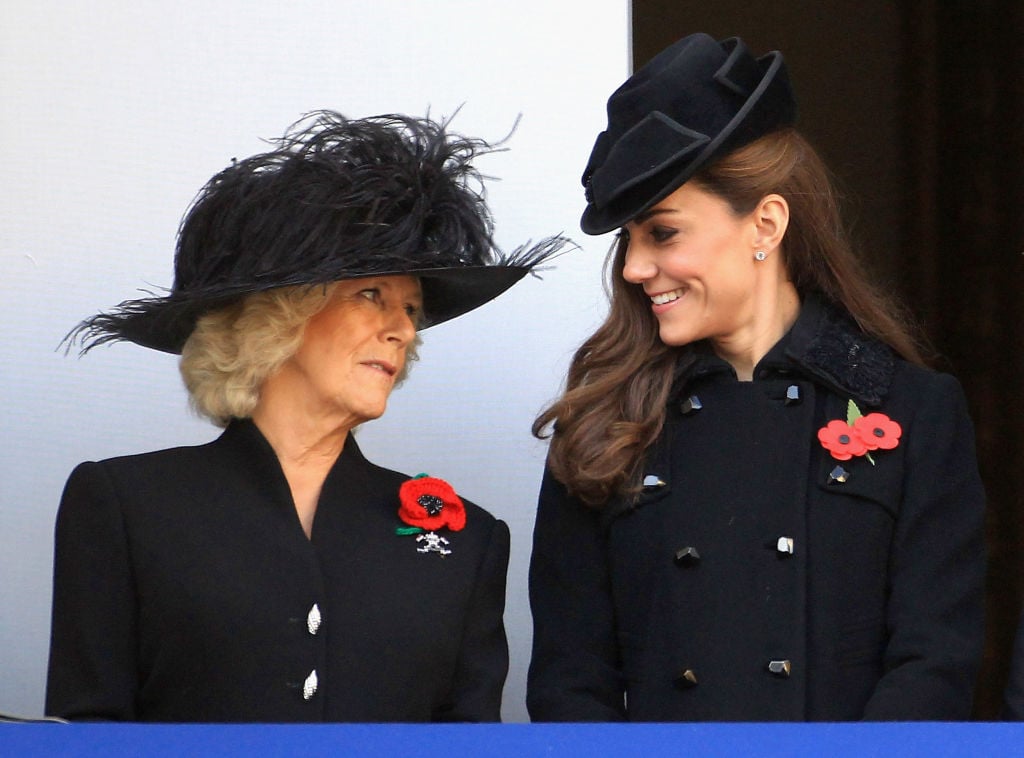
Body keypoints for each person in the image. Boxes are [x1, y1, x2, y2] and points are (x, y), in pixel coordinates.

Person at [46, 110, 566, 722]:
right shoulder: (125, 506)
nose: (401, 328)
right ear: (275, 318)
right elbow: (85, 737)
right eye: (371, 295)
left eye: (411, 308)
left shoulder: (467, 541)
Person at [527, 33, 985, 721]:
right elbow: (570, 682)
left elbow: (935, 662)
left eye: (663, 233)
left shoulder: (915, 412)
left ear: (765, 223)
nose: (632, 268)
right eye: (629, 240)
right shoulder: (601, 426)